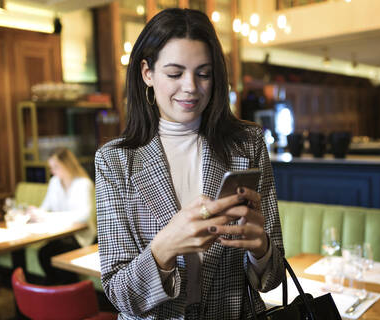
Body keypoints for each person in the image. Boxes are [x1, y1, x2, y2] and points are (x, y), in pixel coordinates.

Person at [95, 8, 284, 319]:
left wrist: (261, 247)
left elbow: (272, 277)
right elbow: (120, 294)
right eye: (174, 73)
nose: (191, 87)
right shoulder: (115, 160)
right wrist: (164, 248)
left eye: (203, 73)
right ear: (147, 73)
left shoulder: (247, 143)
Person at [33, 147, 96, 284]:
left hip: (81, 237)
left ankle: (67, 292)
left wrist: (50, 217)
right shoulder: (54, 183)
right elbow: (45, 208)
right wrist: (35, 212)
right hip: (61, 235)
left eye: (56, 166)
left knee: (60, 257)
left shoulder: (84, 184)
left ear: (67, 164)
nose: (53, 171)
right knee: (43, 253)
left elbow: (85, 215)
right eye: (51, 167)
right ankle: (56, 292)